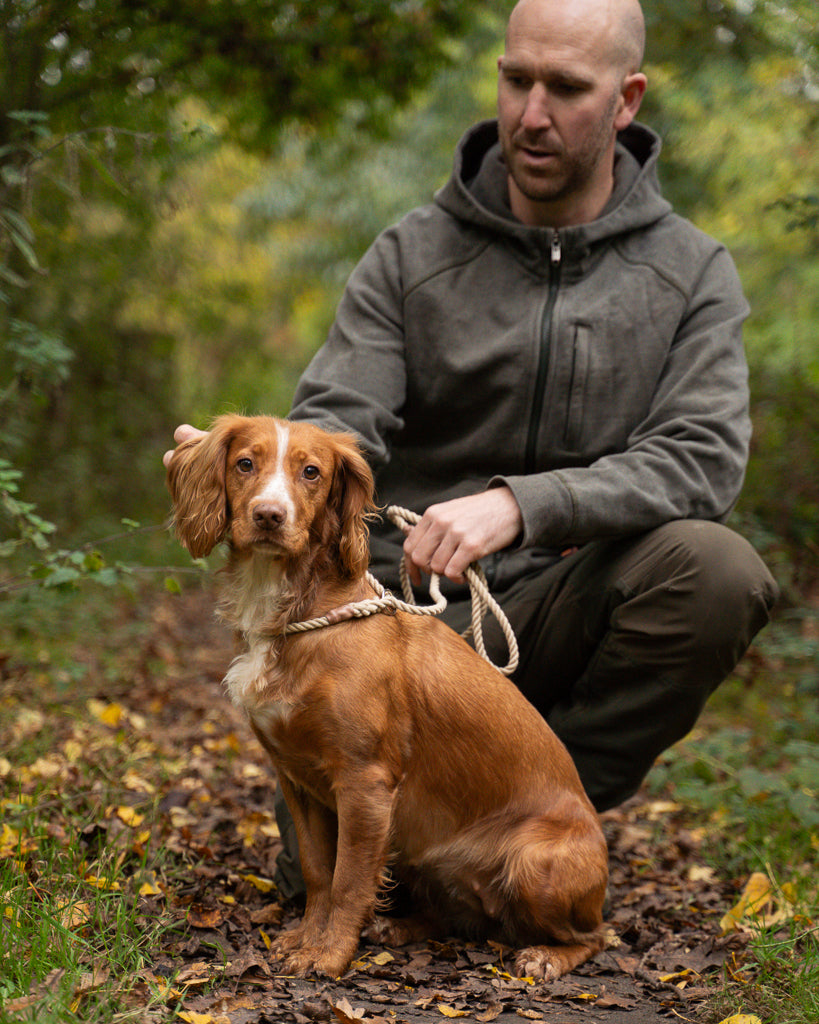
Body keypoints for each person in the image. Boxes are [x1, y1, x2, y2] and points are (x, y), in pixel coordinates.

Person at [167, 0, 778, 896]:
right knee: (310, 887)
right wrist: (245, 469)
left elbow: (703, 457)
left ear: (625, 99)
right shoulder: (411, 255)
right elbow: (337, 419)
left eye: (566, 87)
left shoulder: (690, 273)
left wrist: (523, 504)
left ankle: (525, 825)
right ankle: (419, 843)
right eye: (516, 78)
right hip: (400, 623)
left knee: (715, 570)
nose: (531, 112)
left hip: (566, 604)